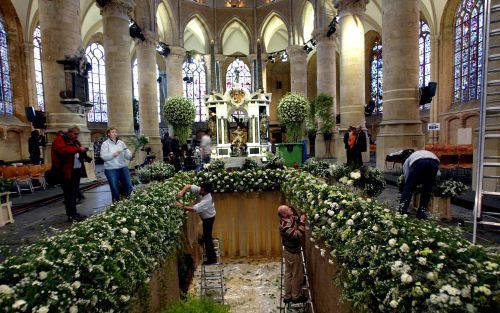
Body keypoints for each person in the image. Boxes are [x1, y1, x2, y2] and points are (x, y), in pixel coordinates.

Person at [51, 126, 89, 222]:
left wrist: (84, 153)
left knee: (74, 194)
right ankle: (71, 216)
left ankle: (74, 213)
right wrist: (78, 149)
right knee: (69, 195)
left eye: (78, 134)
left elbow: (78, 150)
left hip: (76, 171)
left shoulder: (74, 141)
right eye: (75, 134)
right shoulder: (59, 140)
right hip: (66, 172)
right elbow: (63, 151)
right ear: (69, 133)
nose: (77, 136)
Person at [176, 183, 217, 265]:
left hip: (209, 218)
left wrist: (180, 206)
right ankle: (210, 253)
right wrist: (182, 192)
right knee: (206, 237)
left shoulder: (207, 200)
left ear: (205, 192)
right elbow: (189, 186)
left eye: (202, 190)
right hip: (206, 217)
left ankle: (212, 259)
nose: (199, 190)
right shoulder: (201, 190)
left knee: (207, 238)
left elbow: (193, 209)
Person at [278, 205, 308, 304]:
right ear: (284, 214)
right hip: (293, 253)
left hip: (288, 251)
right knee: (297, 275)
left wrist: (302, 215)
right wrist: (303, 222)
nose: (291, 209)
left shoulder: (289, 218)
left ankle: (287, 296)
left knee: (288, 273)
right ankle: (295, 297)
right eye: (288, 209)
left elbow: (296, 218)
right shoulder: (285, 225)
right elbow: (298, 235)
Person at [399, 150, 440, 219]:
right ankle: (421, 212)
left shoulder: (408, 160)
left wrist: (410, 185)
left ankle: (402, 210)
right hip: (434, 162)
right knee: (427, 190)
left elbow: (407, 176)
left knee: (408, 189)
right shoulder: (422, 153)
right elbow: (438, 174)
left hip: (419, 162)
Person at [100, 127, 134, 203]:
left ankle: (130, 203)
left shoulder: (121, 143)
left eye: (115, 132)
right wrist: (113, 155)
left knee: (128, 186)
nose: (115, 133)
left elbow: (127, 153)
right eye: (112, 132)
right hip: (111, 169)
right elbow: (103, 157)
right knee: (115, 188)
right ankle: (116, 204)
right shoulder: (105, 144)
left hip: (123, 167)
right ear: (108, 134)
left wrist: (130, 156)